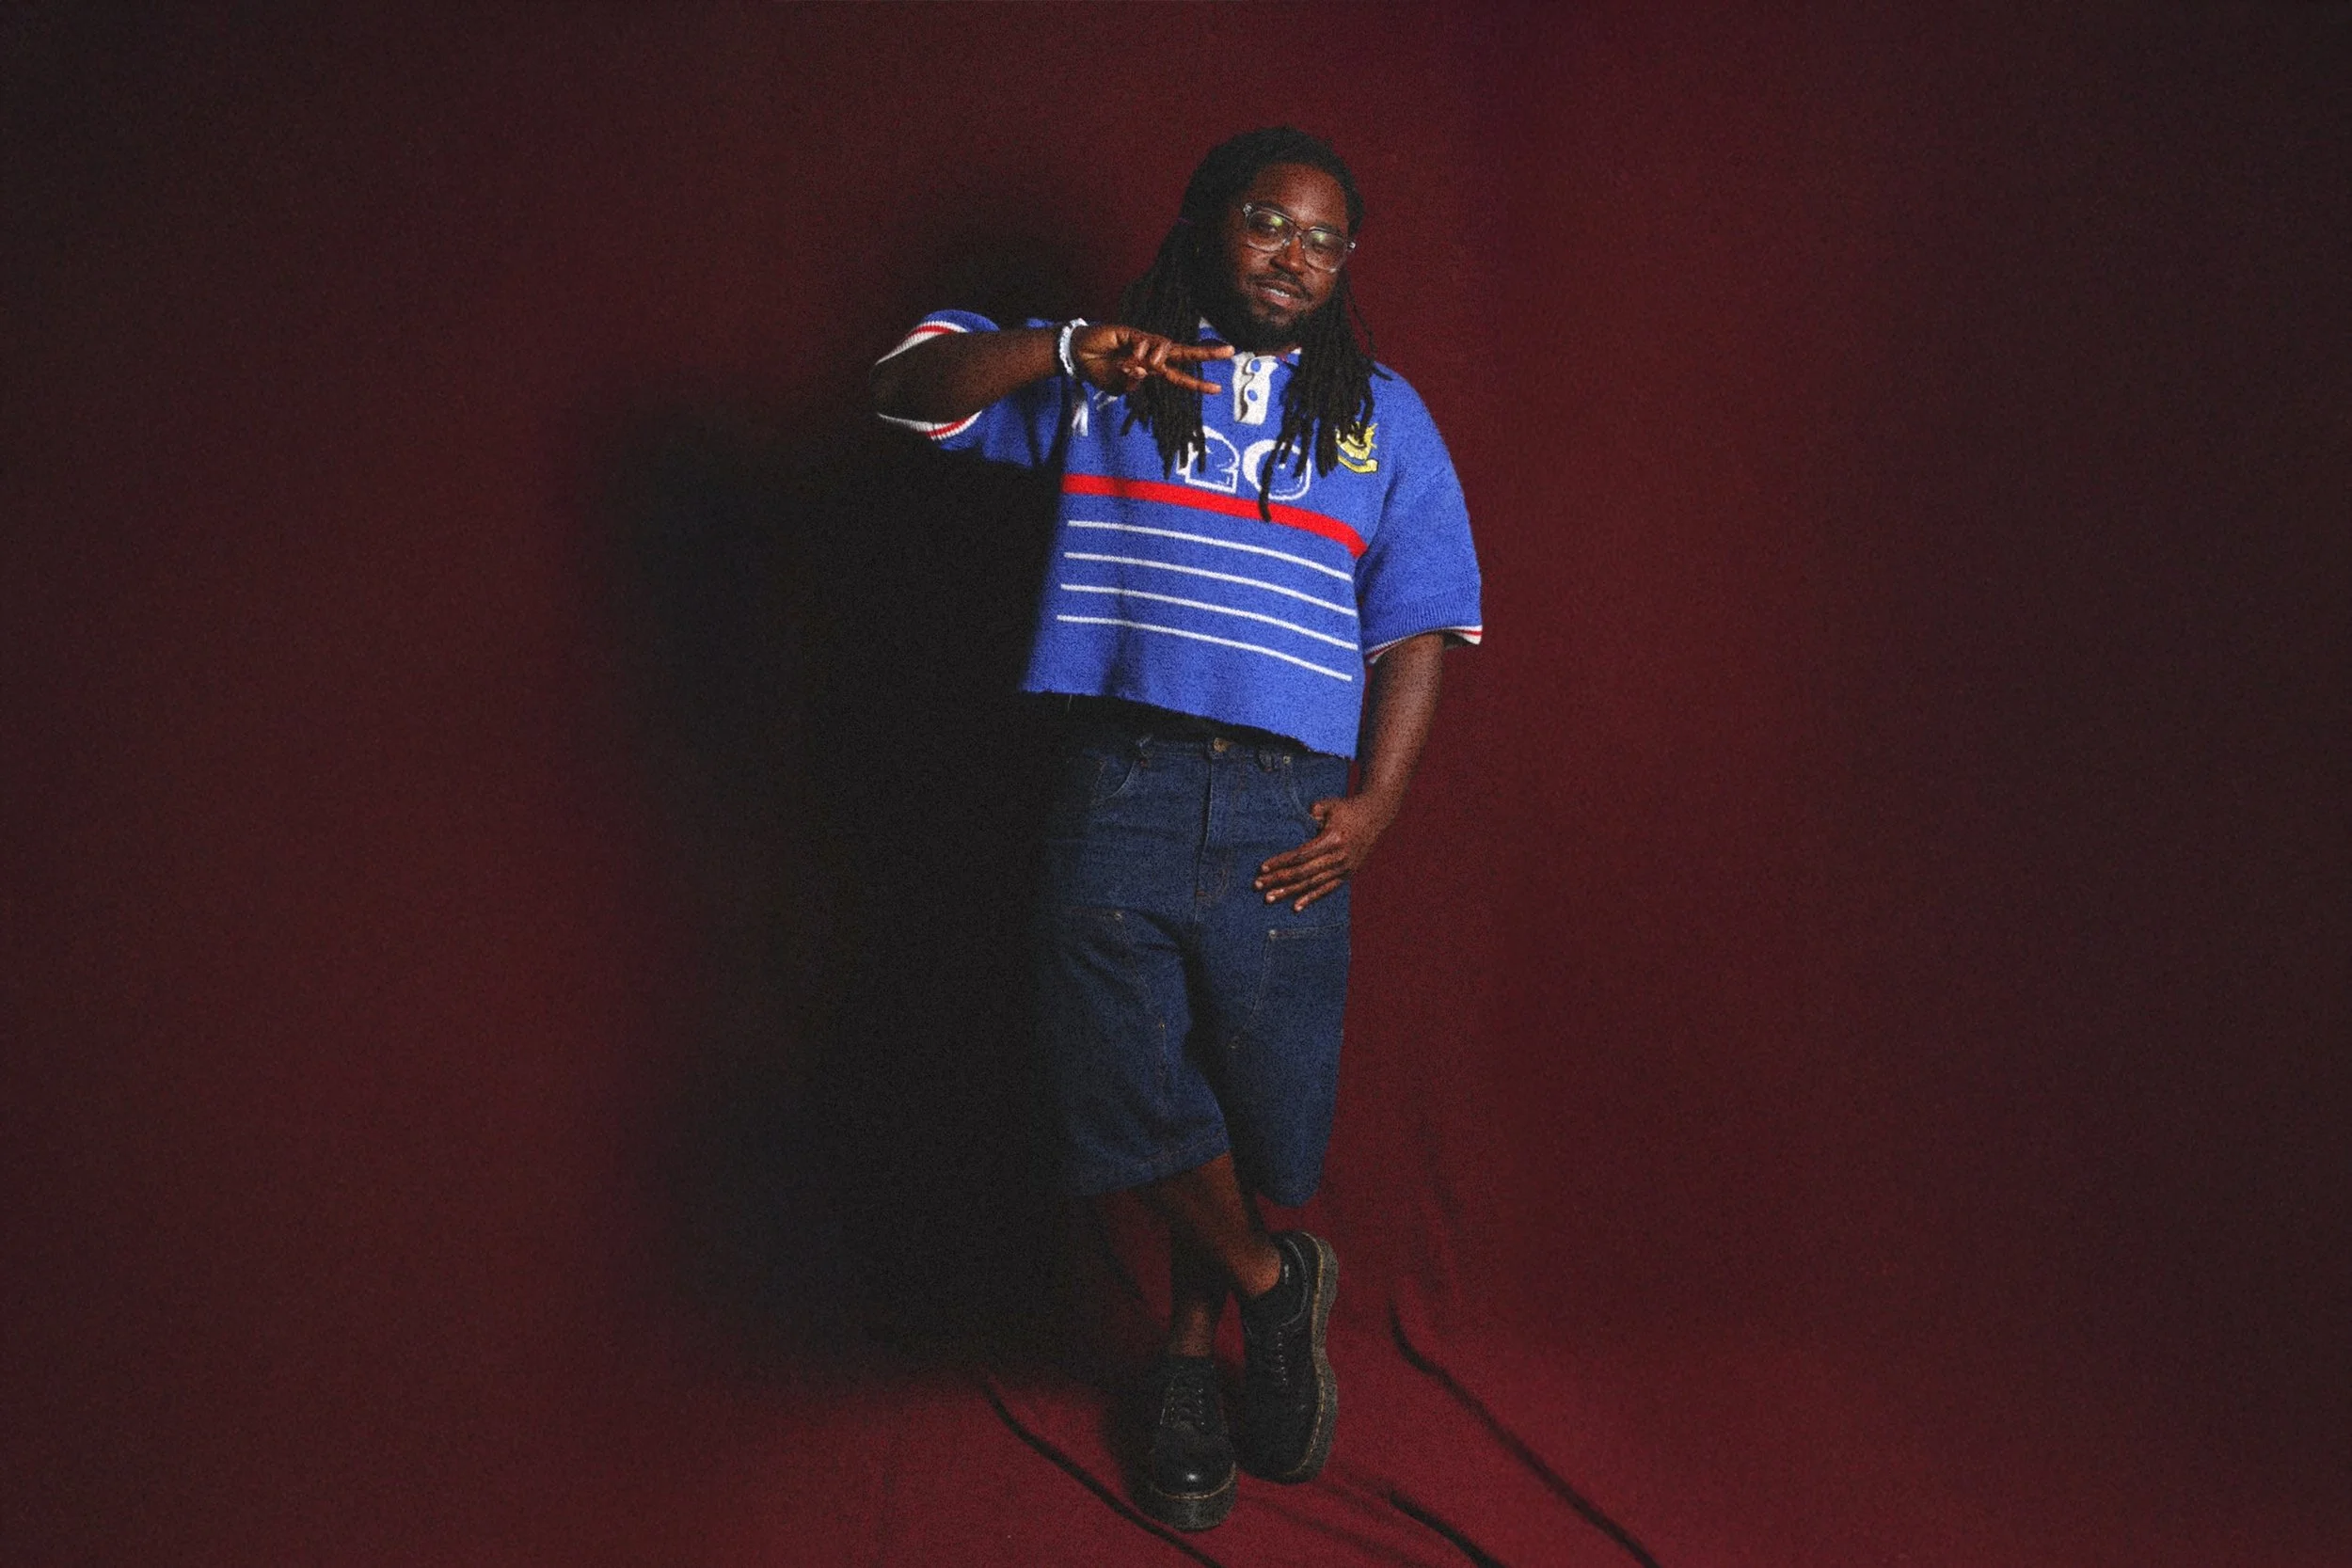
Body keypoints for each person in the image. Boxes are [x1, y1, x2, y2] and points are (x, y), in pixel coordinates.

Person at [868, 127, 1481, 1532]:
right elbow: (905, 391)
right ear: (1213, 223)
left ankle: (1189, 1358)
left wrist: (1377, 806)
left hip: (1290, 795)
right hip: (1124, 778)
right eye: (1273, 222)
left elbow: (1421, 626)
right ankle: (1272, 1288)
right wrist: (1071, 347)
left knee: (1251, 1106)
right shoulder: (1110, 375)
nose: (1299, 257)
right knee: (1118, 1078)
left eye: (1329, 240)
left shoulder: (1383, 415)